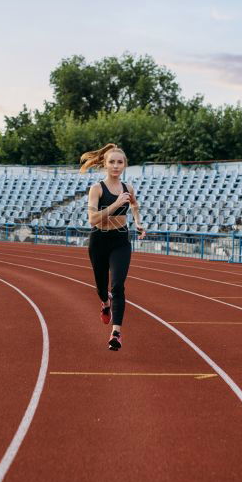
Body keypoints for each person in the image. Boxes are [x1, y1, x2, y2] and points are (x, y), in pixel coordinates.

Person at [80, 143, 146, 351]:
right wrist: (116, 204)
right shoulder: (97, 188)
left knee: (117, 286)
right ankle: (104, 302)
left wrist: (137, 222)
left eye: (120, 162)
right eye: (112, 162)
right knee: (102, 288)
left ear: (125, 165)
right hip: (99, 240)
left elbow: (134, 205)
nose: (116, 166)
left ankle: (116, 333)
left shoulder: (129, 188)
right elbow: (92, 219)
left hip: (120, 241)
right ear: (105, 165)